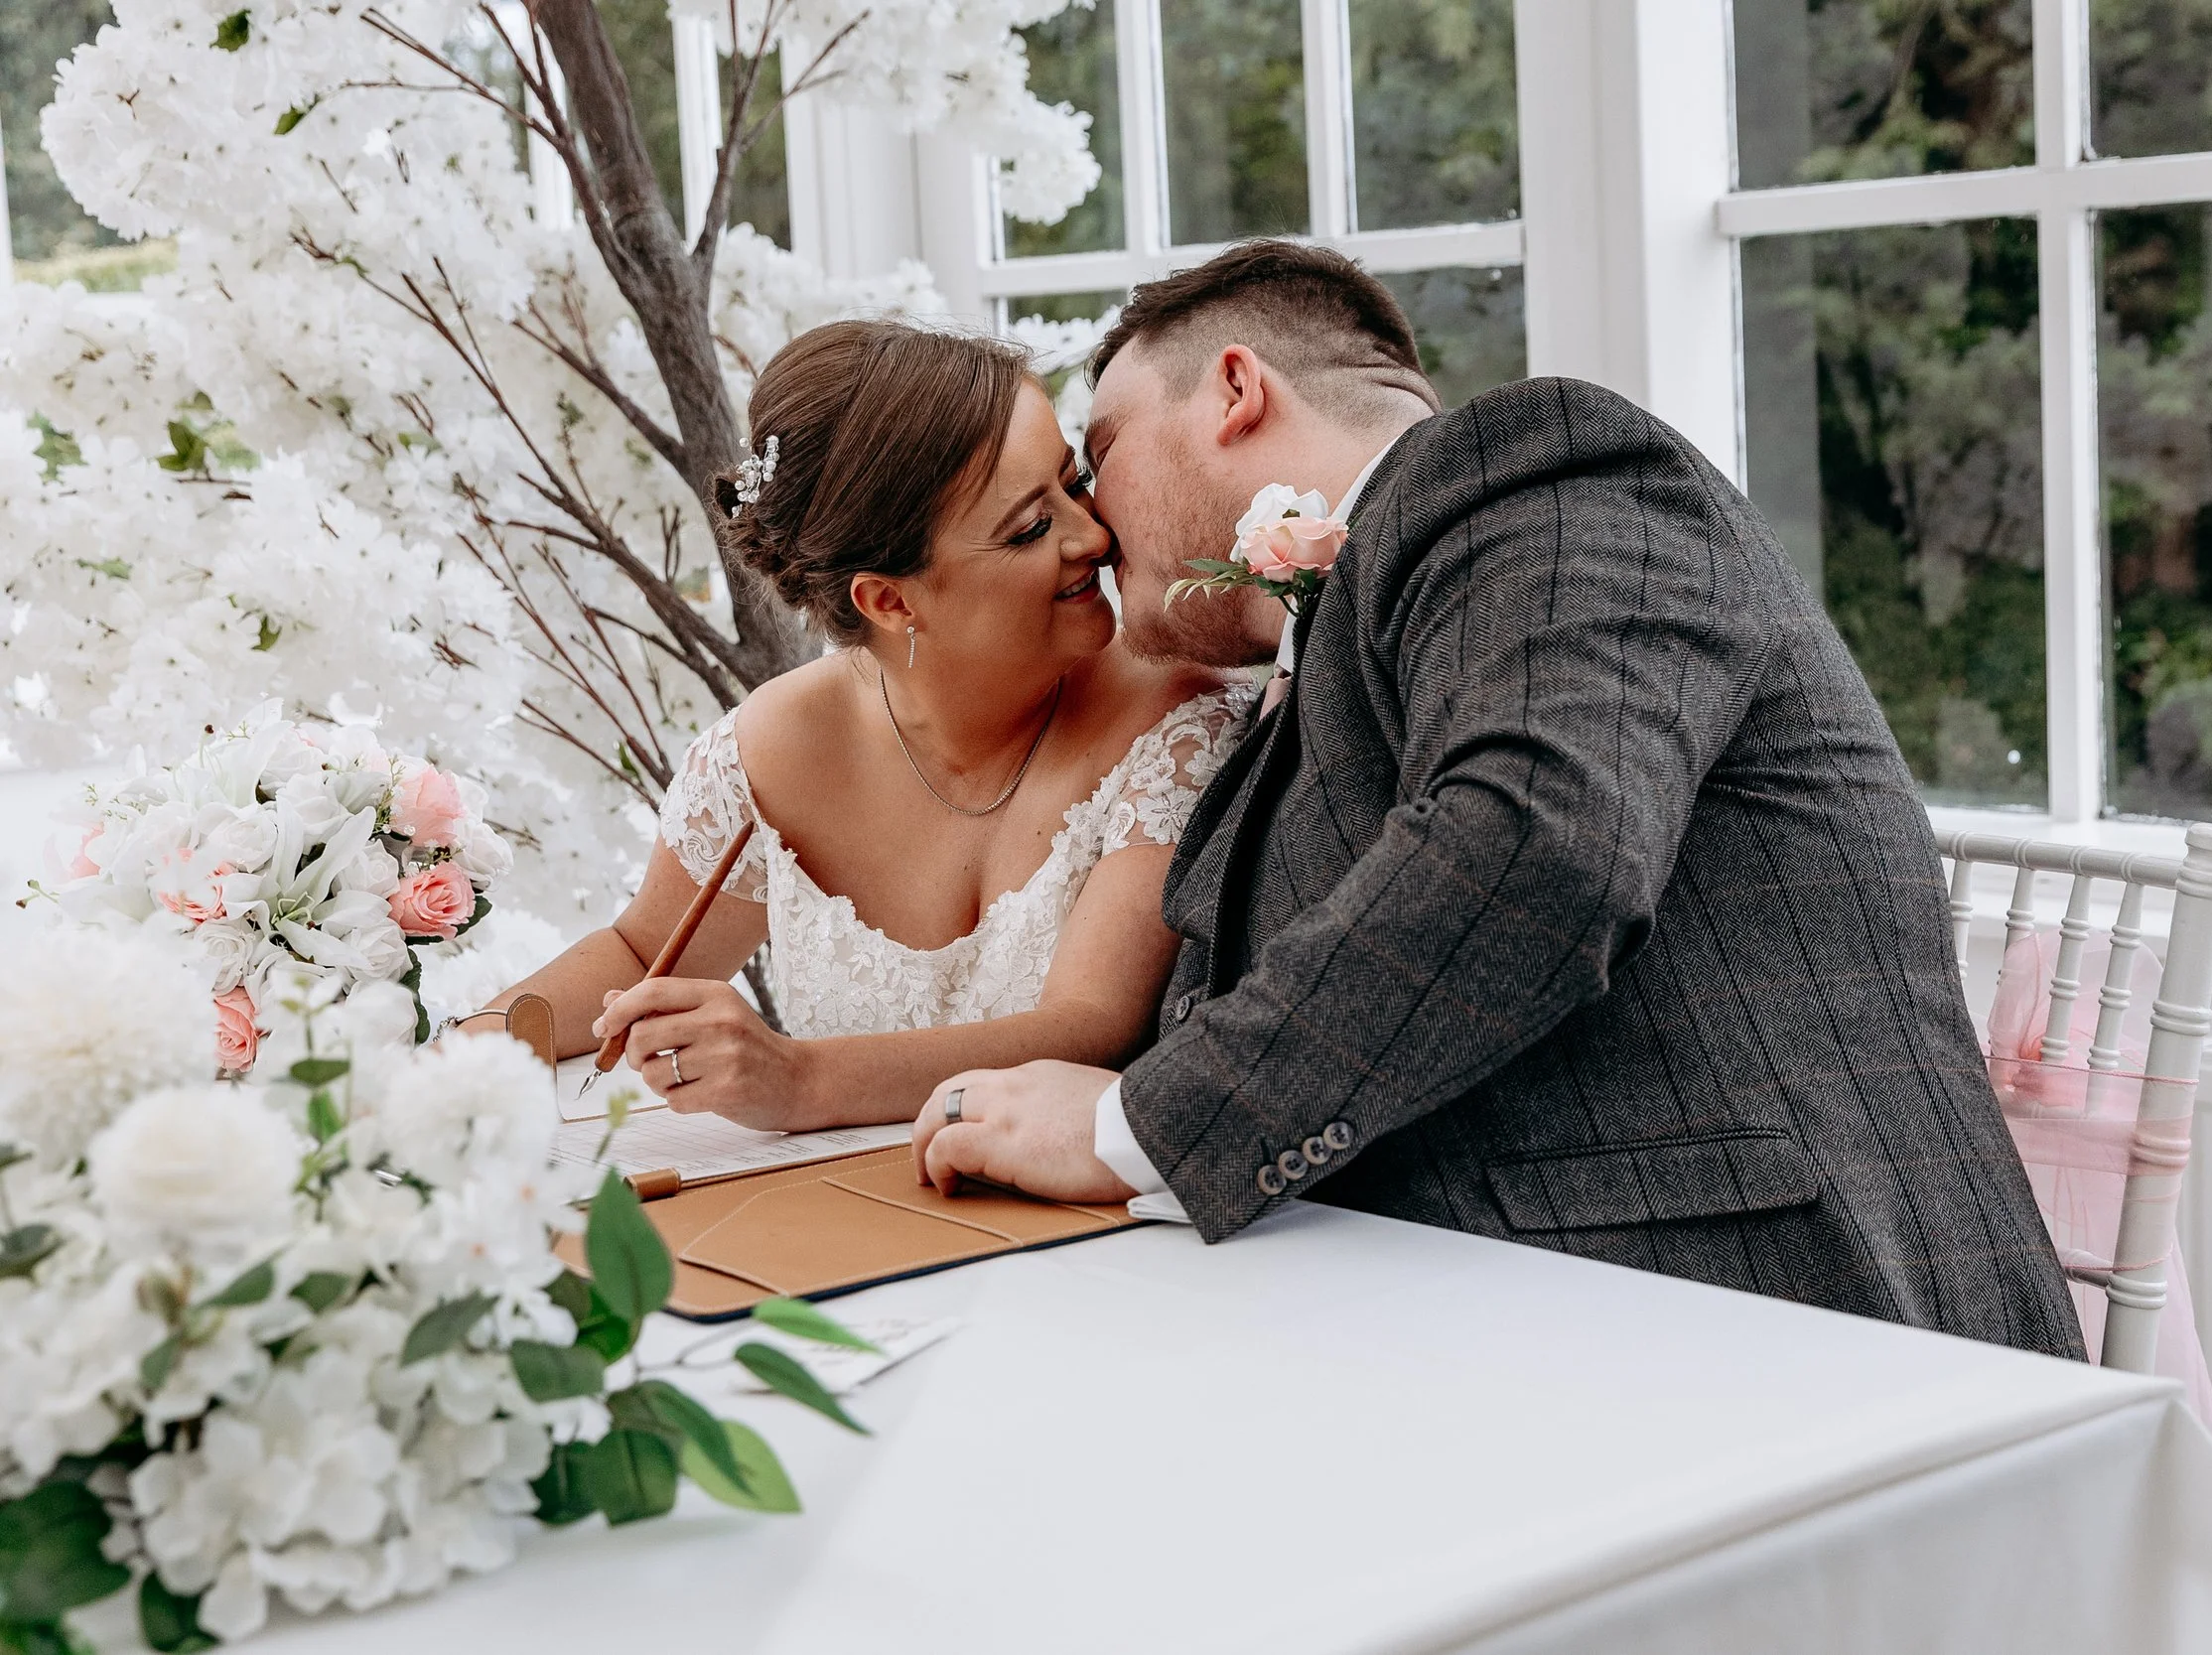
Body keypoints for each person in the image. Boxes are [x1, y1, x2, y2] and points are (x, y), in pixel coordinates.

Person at [906, 241, 2088, 1358]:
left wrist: (1142, 1129)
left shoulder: (1540, 470)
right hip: (1450, 1310)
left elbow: (1536, 841)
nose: (1095, 527)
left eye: (1097, 452)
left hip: (1772, 1315)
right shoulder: (1314, 659)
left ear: (1233, 390)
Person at [478, 319, 1254, 1124]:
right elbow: (638, 953)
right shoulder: (777, 746)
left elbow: (1087, 1030)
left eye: (1074, 480)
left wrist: (801, 1079)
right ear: (890, 599)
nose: (1093, 535)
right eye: (1030, 527)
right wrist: (458, 1054)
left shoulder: (1175, 717)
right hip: (828, 1222)